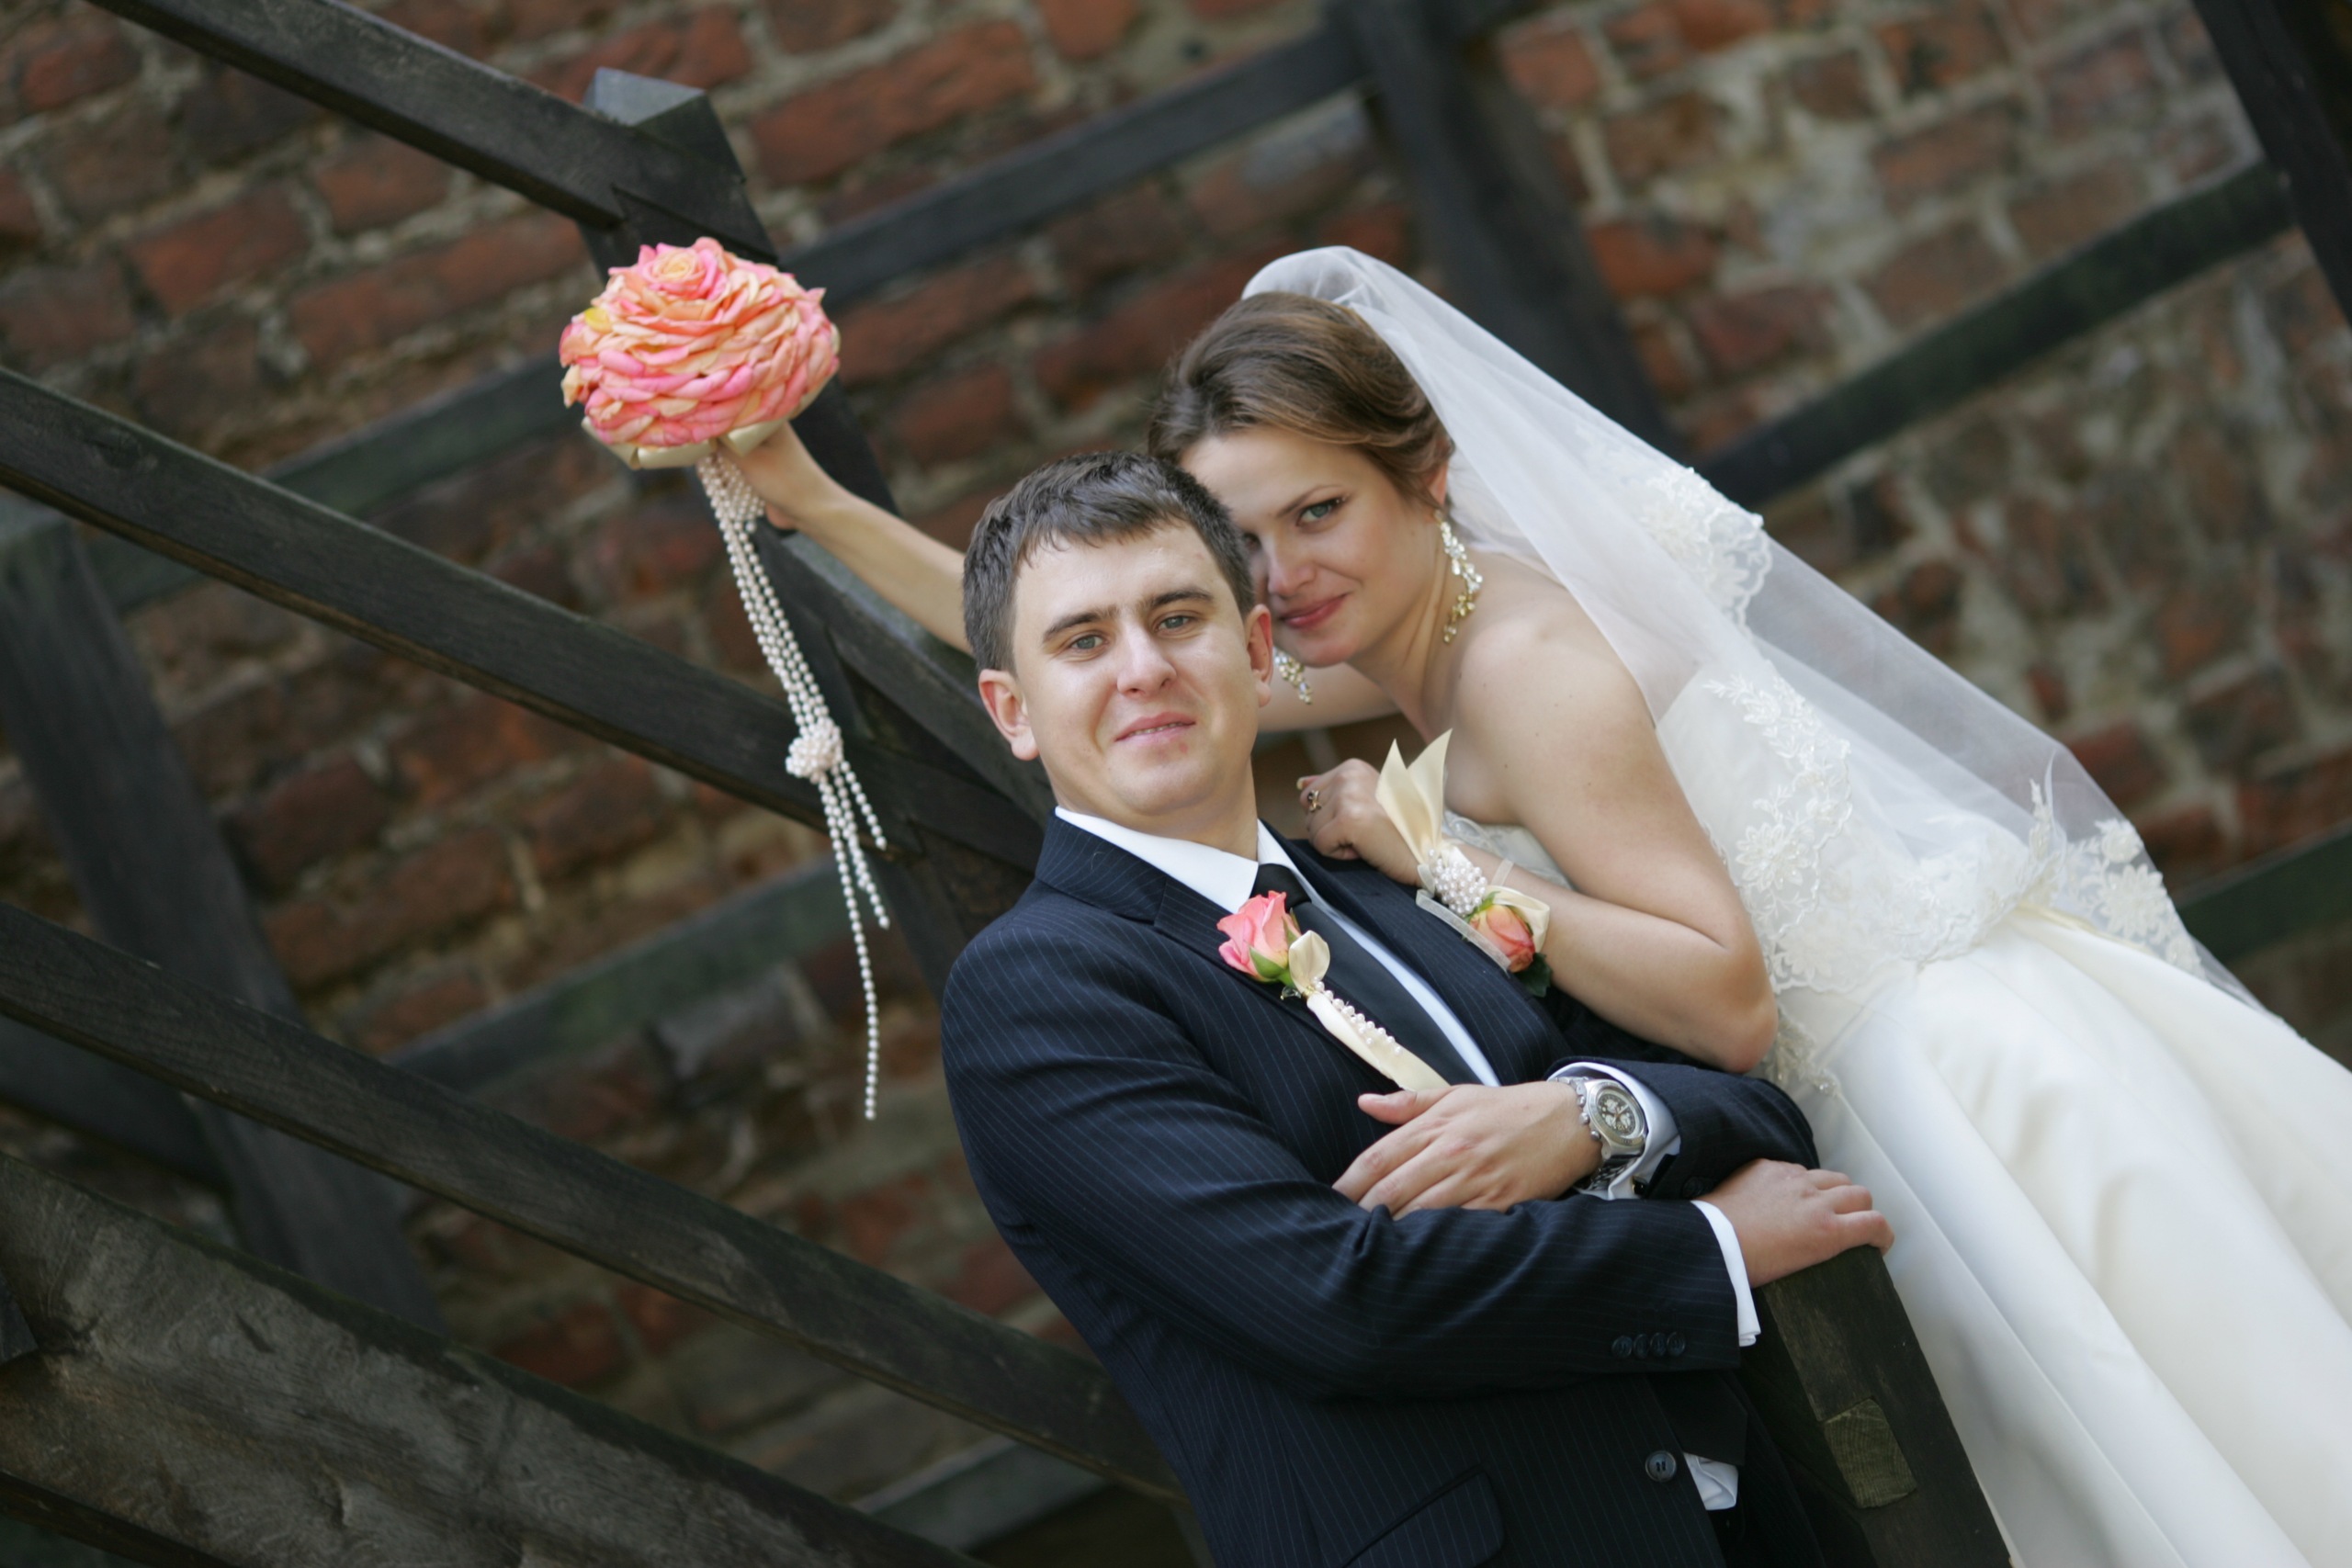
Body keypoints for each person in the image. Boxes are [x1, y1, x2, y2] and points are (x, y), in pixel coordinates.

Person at [741, 248, 2352, 1566]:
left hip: (1920, 1070)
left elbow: (1727, 1003)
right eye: (1250, 543)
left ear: (1429, 479)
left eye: (1319, 514)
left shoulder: (1517, 660)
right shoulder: (1367, 631)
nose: (1280, 576)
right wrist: (813, 501)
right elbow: (1090, 633)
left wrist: (1436, 861)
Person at [936, 448, 1886, 1567]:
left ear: (1254, 650)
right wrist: (1710, 1247)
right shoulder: (1036, 991)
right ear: (1013, 711)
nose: (1143, 669)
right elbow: (1337, 1304)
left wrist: (1588, 1116)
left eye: (1178, 618)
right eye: (1084, 641)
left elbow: (1741, 1101)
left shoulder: (1389, 877)